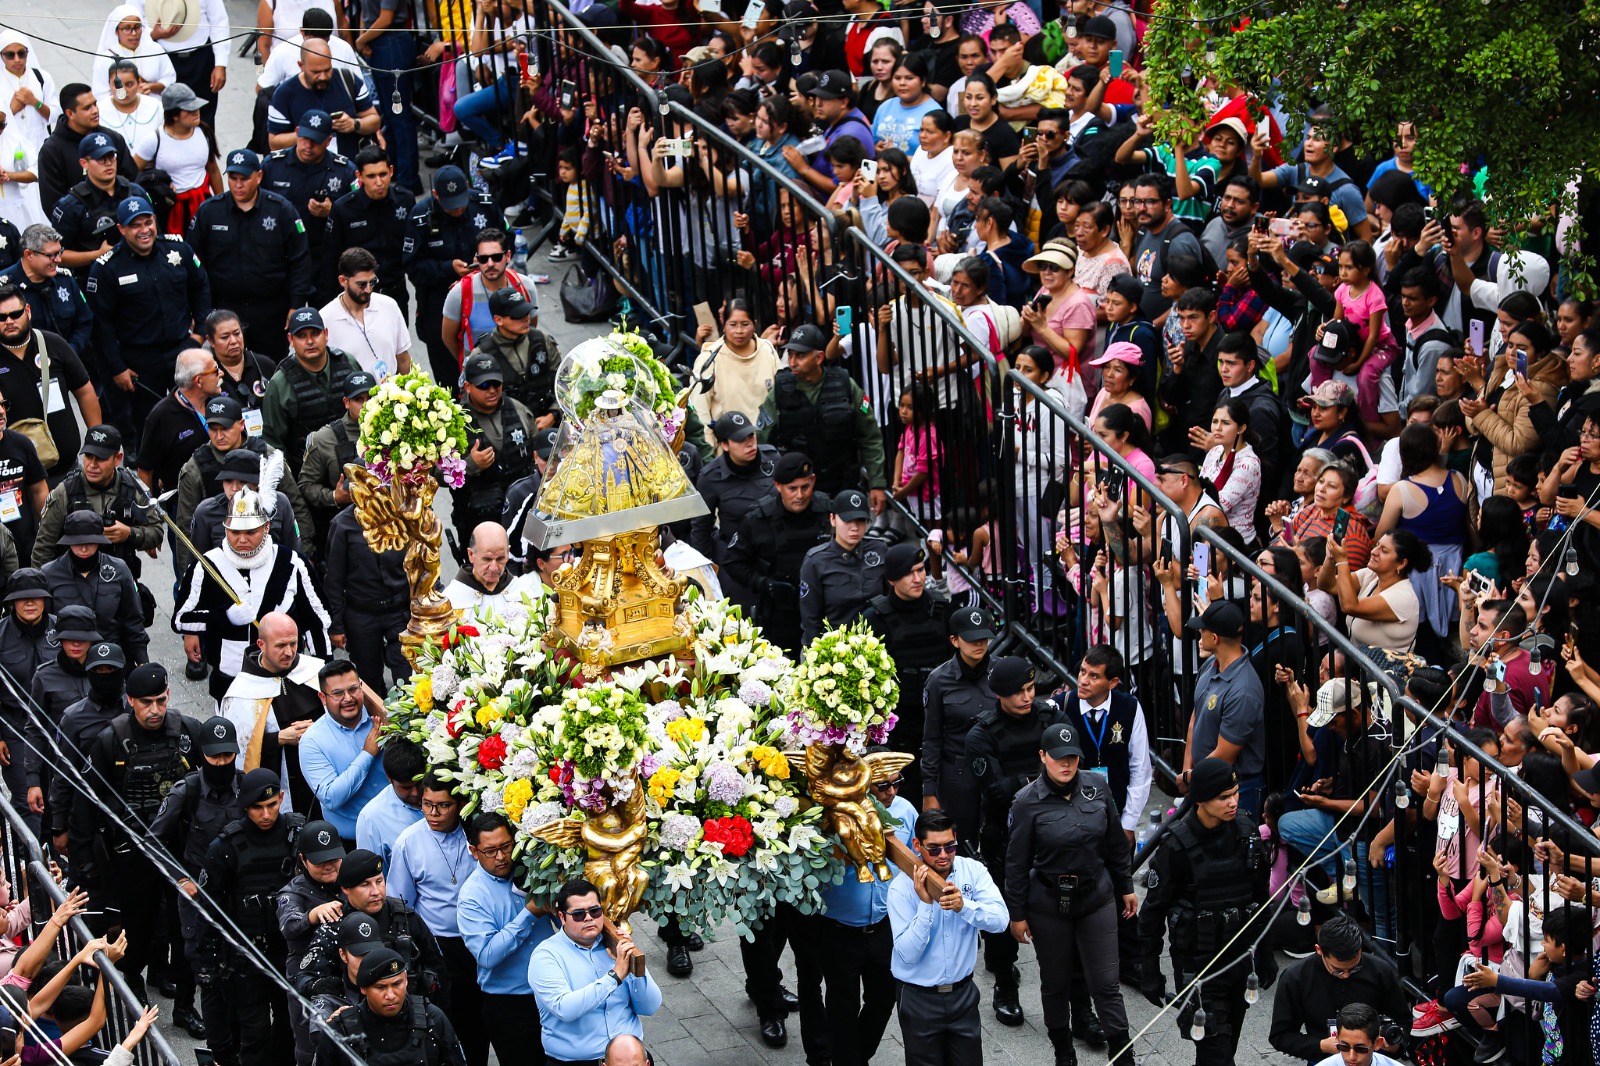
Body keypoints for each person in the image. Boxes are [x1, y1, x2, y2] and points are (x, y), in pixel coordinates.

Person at [1007, 722, 1137, 1066]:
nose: (1066, 764)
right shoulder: (1026, 802)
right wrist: (1016, 914)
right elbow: (1016, 863)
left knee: (1106, 983)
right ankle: (1063, 1052)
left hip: (1096, 896)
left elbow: (1114, 843)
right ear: (1043, 757)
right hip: (1049, 903)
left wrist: (1126, 886)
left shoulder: (1097, 786)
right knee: (1055, 983)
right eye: (1058, 758)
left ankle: (1124, 1055)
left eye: (1073, 758)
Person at [69, 661, 204, 990]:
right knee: (138, 926)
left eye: (161, 700)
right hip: (131, 853)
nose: (155, 710)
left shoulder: (187, 730)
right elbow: (86, 802)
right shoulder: (110, 740)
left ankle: (184, 1002)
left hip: (178, 848)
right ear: (130, 700)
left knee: (182, 927)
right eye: (146, 702)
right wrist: (84, 860)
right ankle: (135, 986)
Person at [1138, 757, 1271, 1066]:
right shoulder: (1176, 848)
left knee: (1226, 1045)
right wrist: (1149, 971)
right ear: (1200, 800)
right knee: (1217, 1055)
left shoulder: (1246, 831)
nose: (1233, 801)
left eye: (1236, 793)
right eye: (1224, 797)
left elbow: (1262, 898)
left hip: (1239, 961)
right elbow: (1152, 913)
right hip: (1198, 967)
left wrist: (1263, 953)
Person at [965, 656, 1065, 1027]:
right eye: (1018, 692)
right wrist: (1043, 778)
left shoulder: (1049, 717)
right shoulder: (982, 732)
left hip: (1054, 830)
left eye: (1029, 688)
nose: (1027, 697)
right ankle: (1005, 982)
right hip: (1004, 834)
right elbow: (994, 790)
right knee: (1004, 911)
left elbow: (1072, 762)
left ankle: (1076, 996)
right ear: (999, 695)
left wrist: (1027, 780)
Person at [195, 768, 300, 1066]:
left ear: (281, 798)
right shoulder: (226, 847)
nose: (266, 814)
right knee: (254, 1034)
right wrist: (208, 961)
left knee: (289, 1028)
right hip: (247, 954)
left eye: (272, 805)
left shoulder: (297, 835)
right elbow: (208, 909)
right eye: (257, 807)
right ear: (244, 806)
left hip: (288, 949)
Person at [887, 806, 1007, 1066]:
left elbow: (1000, 921)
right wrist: (926, 904)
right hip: (919, 998)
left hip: (963, 995)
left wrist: (966, 907)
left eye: (950, 846)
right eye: (934, 848)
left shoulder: (972, 871)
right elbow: (906, 954)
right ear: (917, 845)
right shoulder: (900, 887)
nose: (943, 855)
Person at [86, 196, 212, 444]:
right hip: (140, 360)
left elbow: (201, 287)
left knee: (196, 415)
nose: (144, 230)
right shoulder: (107, 268)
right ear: (122, 229)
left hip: (182, 350)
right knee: (148, 426)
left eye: (148, 222)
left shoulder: (177, 249)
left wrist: (200, 333)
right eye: (135, 225)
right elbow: (102, 326)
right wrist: (117, 368)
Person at [148, 714, 242, 1042]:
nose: (221, 762)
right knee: (194, 955)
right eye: (215, 756)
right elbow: (152, 841)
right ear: (202, 754)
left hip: (236, 887)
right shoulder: (185, 791)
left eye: (227, 755)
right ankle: (185, 1008)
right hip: (196, 889)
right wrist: (179, 879)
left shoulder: (245, 786)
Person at [387, 777, 486, 1066]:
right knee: (446, 1022)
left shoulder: (475, 835)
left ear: (460, 805)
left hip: (478, 942)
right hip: (437, 946)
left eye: (443, 806)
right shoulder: (409, 840)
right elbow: (400, 903)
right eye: (427, 805)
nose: (433, 813)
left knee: (478, 1023)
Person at [189, 148, 314, 349]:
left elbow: (300, 260)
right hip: (224, 310)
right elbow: (193, 261)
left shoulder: (282, 210)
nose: (238, 185)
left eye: (244, 178)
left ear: (259, 176)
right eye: (233, 178)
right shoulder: (209, 212)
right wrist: (199, 310)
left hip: (271, 311)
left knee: (272, 368)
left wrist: (296, 305)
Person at [528, 878, 663, 1064]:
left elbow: (650, 1006)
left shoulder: (615, 946)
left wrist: (634, 963)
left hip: (628, 1059)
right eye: (578, 914)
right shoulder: (546, 956)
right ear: (561, 917)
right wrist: (614, 977)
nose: (589, 918)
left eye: (595, 911)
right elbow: (565, 1009)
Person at [294, 848, 448, 1009]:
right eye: (365, 885)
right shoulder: (334, 928)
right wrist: (321, 986)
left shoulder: (405, 917)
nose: (376, 891)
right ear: (345, 889)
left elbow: (438, 969)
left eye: (379, 881)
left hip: (412, 1016)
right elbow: (303, 979)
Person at [458, 812, 552, 1066]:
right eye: (490, 851)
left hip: (551, 994)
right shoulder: (472, 897)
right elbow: (487, 955)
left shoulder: (533, 868)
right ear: (474, 851)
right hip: (510, 1007)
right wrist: (529, 914)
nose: (501, 857)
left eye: (505, 847)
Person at [761, 324, 888, 505]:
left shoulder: (845, 385)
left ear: (819, 357)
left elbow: (870, 436)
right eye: (790, 355)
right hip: (798, 490)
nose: (792, 362)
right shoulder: (780, 390)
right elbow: (762, 439)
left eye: (801, 355)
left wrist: (877, 483)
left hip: (842, 484)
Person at [722, 451, 832, 656]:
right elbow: (733, 562)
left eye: (805, 487)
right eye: (792, 489)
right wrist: (765, 585)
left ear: (813, 481)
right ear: (778, 485)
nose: (800, 495)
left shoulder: (827, 512)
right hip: (779, 612)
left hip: (824, 610)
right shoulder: (758, 519)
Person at [403, 166, 505, 384]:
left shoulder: (484, 205)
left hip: (485, 298)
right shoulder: (420, 217)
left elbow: (507, 241)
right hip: (439, 302)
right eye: (451, 207)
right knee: (448, 376)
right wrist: (448, 268)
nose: (458, 210)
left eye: (461, 203)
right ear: (436, 196)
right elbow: (413, 268)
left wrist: (488, 261)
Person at [219, 611, 326, 813]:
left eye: (293, 643)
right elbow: (240, 748)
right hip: (280, 781)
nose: (289, 652)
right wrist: (279, 738)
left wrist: (319, 727)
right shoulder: (242, 692)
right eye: (280, 646)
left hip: (320, 772)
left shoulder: (313, 671)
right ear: (261, 645)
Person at [863, 543, 946, 800]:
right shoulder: (875, 617)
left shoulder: (941, 608)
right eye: (910, 573)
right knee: (904, 779)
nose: (918, 578)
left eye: (921, 570)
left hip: (938, 709)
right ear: (892, 579)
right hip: (900, 714)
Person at [1269, 915, 1409, 1066]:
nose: (1346, 976)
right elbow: (1280, 1036)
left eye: (1355, 968)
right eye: (1338, 971)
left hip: (1373, 1056)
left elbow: (1404, 1021)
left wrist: (1396, 1045)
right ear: (1319, 950)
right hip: (1323, 1057)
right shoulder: (1296, 978)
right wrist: (1322, 1045)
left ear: (1360, 949)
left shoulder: (1380, 971)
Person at [33, 425, 160, 572]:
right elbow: (43, 548)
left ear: (117, 459)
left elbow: (156, 531)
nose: (92, 465)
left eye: (100, 459)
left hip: (119, 579)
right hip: (74, 582)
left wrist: (129, 534)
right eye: (88, 456)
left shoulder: (133, 489)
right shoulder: (65, 492)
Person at [1182, 601, 1267, 818]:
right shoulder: (1210, 665)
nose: (1199, 633)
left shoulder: (1244, 690)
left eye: (1203, 629)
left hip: (1235, 791)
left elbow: (1224, 756)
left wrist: (1189, 779)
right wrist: (1186, 773)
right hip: (1202, 781)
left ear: (1215, 638)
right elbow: (1195, 720)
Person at [319, 948, 467, 1066]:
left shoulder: (432, 1018)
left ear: (406, 982)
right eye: (380, 987)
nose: (390, 995)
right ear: (363, 988)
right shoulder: (340, 1029)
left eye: (397, 984)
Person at [260, 306, 364, 474]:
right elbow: (274, 447)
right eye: (301, 336)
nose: (309, 341)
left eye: (315, 334)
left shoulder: (348, 363)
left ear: (326, 334)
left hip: (355, 463)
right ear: (290, 340)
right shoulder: (279, 384)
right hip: (307, 474)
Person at [922, 606, 995, 843]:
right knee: (962, 842)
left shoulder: (1001, 671)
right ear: (954, 640)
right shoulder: (938, 680)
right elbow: (932, 739)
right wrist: (929, 791)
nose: (979, 644)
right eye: (972, 639)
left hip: (998, 771)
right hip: (958, 775)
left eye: (984, 638)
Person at [324, 501, 409, 694]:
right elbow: (334, 580)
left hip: (399, 611)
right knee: (369, 678)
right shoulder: (342, 524)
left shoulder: (403, 514)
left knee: (407, 674)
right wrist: (336, 625)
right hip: (361, 614)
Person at [39, 510, 146, 664]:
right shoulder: (49, 574)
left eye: (89, 542)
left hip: (111, 657)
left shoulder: (119, 569)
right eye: (77, 543)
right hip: (67, 660)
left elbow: (133, 621)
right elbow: (45, 627)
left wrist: (143, 662)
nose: (83, 549)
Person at [453, 353, 536, 550]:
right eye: (483, 386)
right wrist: (470, 464)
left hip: (522, 512)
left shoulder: (519, 410)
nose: (491, 390)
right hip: (480, 519)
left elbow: (539, 455)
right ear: (468, 387)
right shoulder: (453, 423)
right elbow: (436, 476)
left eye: (496, 384)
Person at [299, 660, 389, 838]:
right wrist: (367, 754)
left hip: (396, 829)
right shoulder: (312, 742)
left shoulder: (383, 720)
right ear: (323, 698)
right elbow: (331, 797)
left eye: (353, 689)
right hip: (352, 841)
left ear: (361, 687)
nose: (348, 698)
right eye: (337, 694)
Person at [325, 146, 415, 321]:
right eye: (371, 176)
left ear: (391, 171)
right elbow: (330, 258)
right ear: (359, 177)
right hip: (357, 298)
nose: (379, 182)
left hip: (395, 293)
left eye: (382, 174)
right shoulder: (344, 209)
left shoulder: (406, 200)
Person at [688, 298, 782, 454]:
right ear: (723, 325)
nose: (739, 331)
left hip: (767, 448)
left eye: (745, 324)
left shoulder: (767, 350)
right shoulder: (708, 360)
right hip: (727, 453)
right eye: (733, 325)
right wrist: (710, 456)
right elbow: (700, 413)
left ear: (755, 323)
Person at [48, 130, 143, 282]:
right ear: (84, 163)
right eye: (101, 159)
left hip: (138, 270)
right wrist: (97, 255)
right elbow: (57, 254)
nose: (108, 163)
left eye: (111, 156)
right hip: (95, 279)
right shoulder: (71, 205)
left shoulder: (135, 192)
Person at [298, 370, 374, 557]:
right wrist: (334, 496)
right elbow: (306, 486)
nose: (365, 406)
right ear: (346, 402)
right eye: (359, 400)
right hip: (349, 535)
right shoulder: (324, 439)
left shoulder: (395, 430)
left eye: (370, 398)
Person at [798, 489, 888, 645]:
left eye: (861, 520)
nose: (854, 527)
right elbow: (811, 620)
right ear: (832, 519)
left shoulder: (879, 549)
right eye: (847, 520)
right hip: (836, 647)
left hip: (878, 642)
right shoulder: (815, 561)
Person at [38, 86, 137, 221]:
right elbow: (53, 205)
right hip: (80, 235)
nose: (95, 111)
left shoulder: (113, 138)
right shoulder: (52, 150)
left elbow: (132, 181)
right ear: (70, 113)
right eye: (87, 108)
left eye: (95, 104)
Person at [266, 41, 378, 160]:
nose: (323, 77)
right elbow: (274, 143)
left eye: (327, 70)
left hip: (347, 170)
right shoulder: (284, 94)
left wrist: (354, 124)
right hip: (304, 172)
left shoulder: (348, 80)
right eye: (316, 72)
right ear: (301, 65)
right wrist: (308, 133)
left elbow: (374, 120)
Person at [0, 568, 52, 823]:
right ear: (12, 602)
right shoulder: (0, 636)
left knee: (57, 798)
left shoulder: (62, 631)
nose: (30, 603)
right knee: (26, 800)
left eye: (36, 596)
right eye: (22, 598)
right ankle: (31, 860)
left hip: (58, 727)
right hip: (16, 727)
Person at [0, 225, 93, 365]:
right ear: (29, 255)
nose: (58, 260)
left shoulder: (65, 280)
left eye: (59, 252)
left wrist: (69, 352)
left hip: (67, 364)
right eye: (51, 255)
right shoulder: (4, 287)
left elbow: (84, 321)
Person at [136, 349, 221, 501]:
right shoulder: (161, 416)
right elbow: (145, 471)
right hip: (184, 506)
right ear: (198, 381)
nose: (221, 374)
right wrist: (150, 514)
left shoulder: (220, 402)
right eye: (215, 370)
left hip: (225, 496)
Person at [464, 288, 556, 426]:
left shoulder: (542, 340)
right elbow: (469, 404)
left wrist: (554, 414)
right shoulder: (481, 355)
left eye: (526, 312)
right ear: (498, 320)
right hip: (508, 433)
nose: (526, 318)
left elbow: (565, 382)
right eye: (517, 315)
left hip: (549, 425)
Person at [1130, 173, 1204, 326]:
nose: (1142, 208)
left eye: (1150, 202)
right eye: (1137, 201)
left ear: (1167, 204)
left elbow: (1189, 298)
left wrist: (1152, 326)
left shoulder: (1179, 242)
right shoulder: (1144, 230)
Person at [355, 738, 424, 876]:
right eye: (406, 787)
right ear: (389, 778)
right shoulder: (371, 818)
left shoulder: (442, 796)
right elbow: (372, 876)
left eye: (419, 783)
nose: (415, 793)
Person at [442, 522, 540, 619]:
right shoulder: (451, 601)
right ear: (471, 555)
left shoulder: (525, 592)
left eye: (500, 559)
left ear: (508, 553)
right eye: (487, 559)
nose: (494, 568)